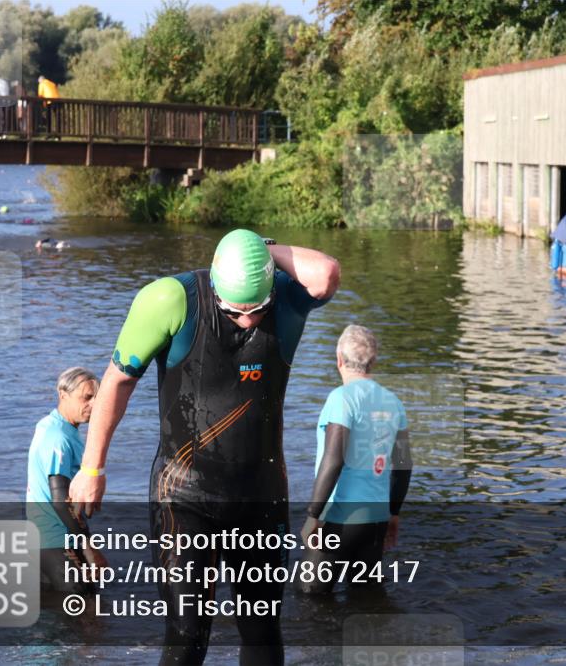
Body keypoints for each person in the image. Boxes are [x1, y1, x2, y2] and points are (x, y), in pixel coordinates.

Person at [69, 229, 340, 665]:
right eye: (235, 310)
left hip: (260, 495)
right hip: (183, 496)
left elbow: (326, 272)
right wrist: (92, 468)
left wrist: (260, 251)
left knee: (262, 629)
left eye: (258, 309)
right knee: (187, 632)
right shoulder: (169, 301)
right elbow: (117, 383)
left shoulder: (286, 297)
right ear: (215, 286)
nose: (249, 320)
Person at [298, 325, 412, 594]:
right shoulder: (393, 401)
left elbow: (333, 460)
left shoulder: (341, 399)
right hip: (375, 518)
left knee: (309, 597)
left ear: (338, 359)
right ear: (374, 361)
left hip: (339, 517)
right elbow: (404, 465)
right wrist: (393, 513)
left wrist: (314, 515)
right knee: (365, 598)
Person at [26, 367, 107, 594]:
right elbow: (61, 499)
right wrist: (89, 547)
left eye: (96, 399)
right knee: (88, 614)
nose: (93, 405)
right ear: (63, 394)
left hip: (43, 540)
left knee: (57, 615)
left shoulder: (52, 426)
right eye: (86, 398)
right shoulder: (58, 438)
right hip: (57, 540)